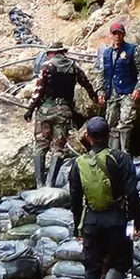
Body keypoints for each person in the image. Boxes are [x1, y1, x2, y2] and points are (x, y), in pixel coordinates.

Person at [69, 116, 140, 279]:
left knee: (91, 267)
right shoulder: (120, 158)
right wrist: (138, 220)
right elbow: (132, 192)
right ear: (109, 135)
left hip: (91, 220)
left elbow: (75, 198)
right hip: (116, 219)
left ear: (88, 137)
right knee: (121, 260)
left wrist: (78, 227)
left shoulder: (78, 164)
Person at [24, 41, 97, 187]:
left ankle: (40, 184)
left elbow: (38, 90)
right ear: (62, 52)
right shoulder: (73, 67)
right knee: (59, 147)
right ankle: (51, 184)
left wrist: (30, 109)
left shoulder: (47, 66)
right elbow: (86, 83)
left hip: (45, 110)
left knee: (40, 145)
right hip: (64, 111)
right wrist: (94, 97)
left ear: (52, 53)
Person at [93, 23, 140, 153]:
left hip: (128, 92)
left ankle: (125, 153)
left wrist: (138, 88)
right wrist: (100, 92)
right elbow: (101, 73)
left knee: (125, 122)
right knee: (111, 123)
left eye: (119, 33)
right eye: (114, 33)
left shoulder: (132, 49)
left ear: (124, 34)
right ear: (110, 35)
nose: (117, 36)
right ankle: (113, 153)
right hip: (111, 93)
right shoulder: (106, 53)